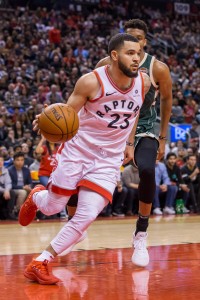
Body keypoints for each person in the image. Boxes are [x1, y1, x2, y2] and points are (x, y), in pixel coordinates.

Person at [18, 33, 151, 285]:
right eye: (130, 53)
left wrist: (130, 143)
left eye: (139, 53)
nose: (137, 59)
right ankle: (37, 196)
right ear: (114, 55)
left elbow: (133, 113)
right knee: (53, 207)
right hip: (77, 151)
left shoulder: (143, 83)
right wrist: (47, 119)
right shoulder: (90, 82)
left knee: (87, 214)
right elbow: (66, 114)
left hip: (108, 160)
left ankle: (41, 261)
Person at [67, 19, 172, 265]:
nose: (134, 43)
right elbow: (91, 98)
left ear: (145, 42)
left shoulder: (158, 69)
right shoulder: (105, 65)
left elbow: (166, 101)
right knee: (76, 173)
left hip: (145, 128)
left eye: (139, 39)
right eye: (129, 38)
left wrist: (163, 138)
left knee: (147, 170)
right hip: (109, 130)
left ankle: (141, 232)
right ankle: (75, 227)